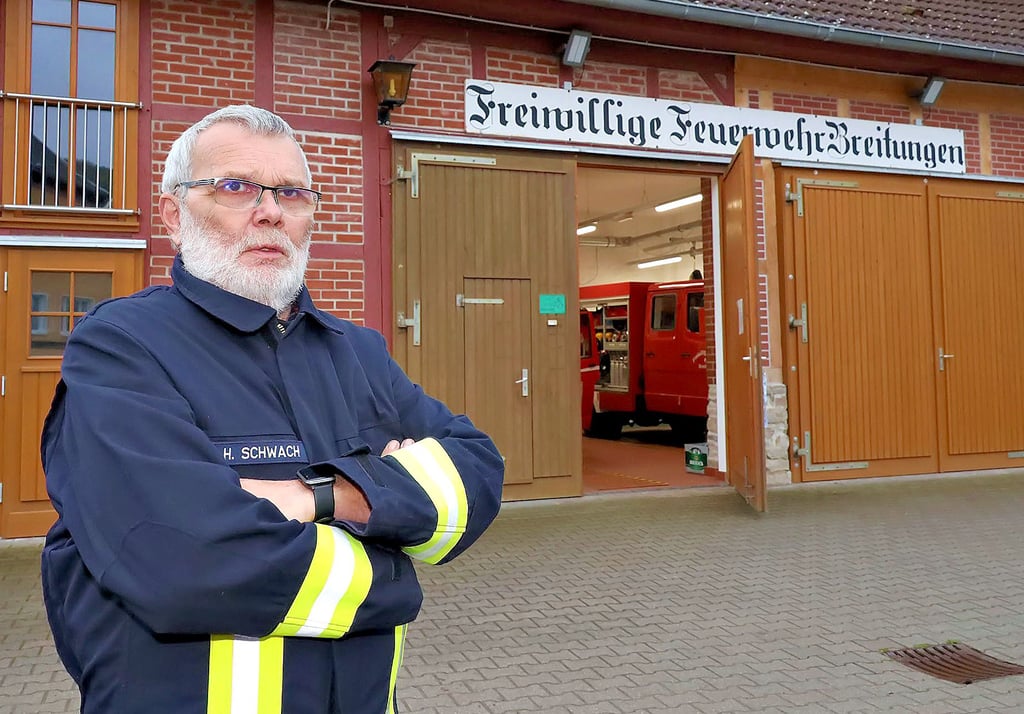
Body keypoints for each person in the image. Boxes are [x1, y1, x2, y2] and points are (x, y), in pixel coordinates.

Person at [40, 105, 505, 714]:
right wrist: (392, 561)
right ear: (174, 216)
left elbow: (478, 471)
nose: (270, 212)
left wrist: (320, 496)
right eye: (236, 187)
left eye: (291, 193)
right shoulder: (122, 346)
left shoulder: (356, 350)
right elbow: (186, 563)